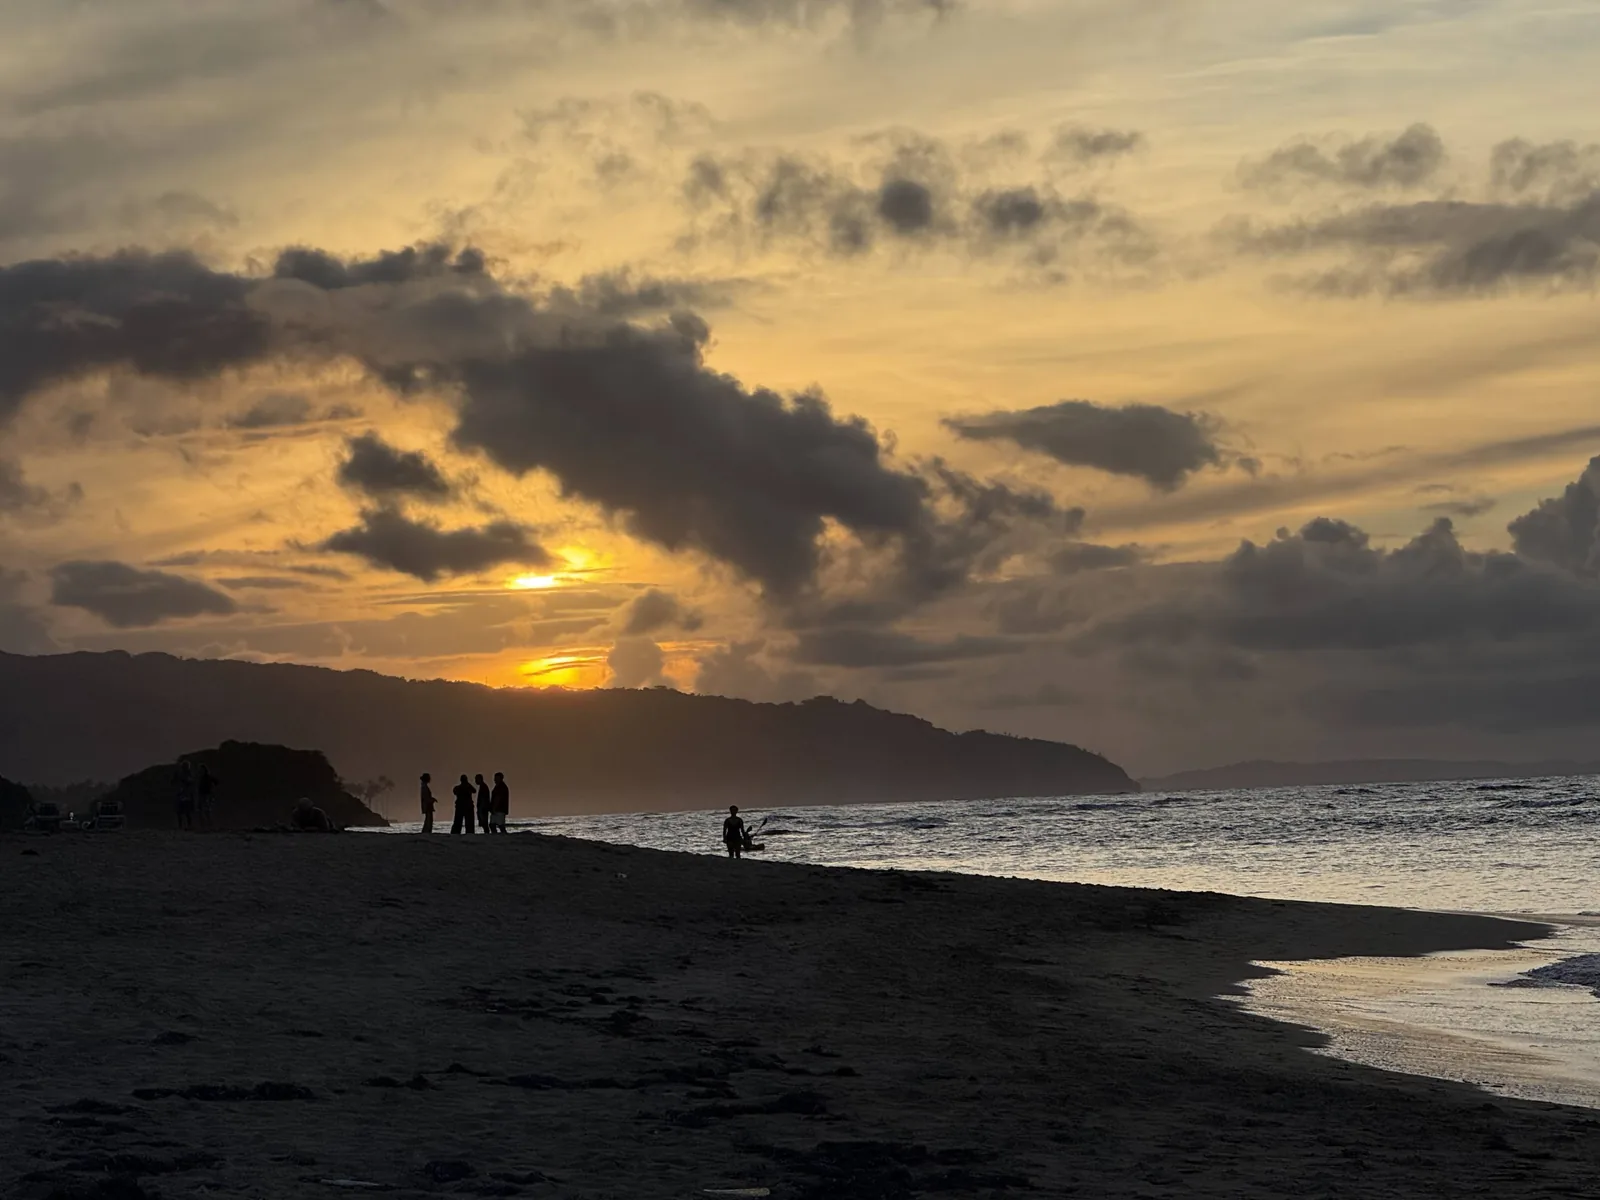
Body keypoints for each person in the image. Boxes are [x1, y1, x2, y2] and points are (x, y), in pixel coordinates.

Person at [174, 760, 195, 831]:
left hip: (187, 796)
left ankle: (189, 826)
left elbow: (190, 782)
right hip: (181, 795)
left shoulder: (189, 774)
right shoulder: (180, 774)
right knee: (180, 812)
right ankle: (181, 826)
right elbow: (174, 782)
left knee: (187, 812)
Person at [195, 765, 217, 830]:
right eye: (200, 770)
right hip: (201, 795)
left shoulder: (208, 777)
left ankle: (209, 824)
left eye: (202, 770)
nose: (200, 771)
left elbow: (216, 782)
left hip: (207, 795)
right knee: (200, 810)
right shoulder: (200, 777)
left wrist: (211, 790)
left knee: (207, 811)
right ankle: (203, 825)